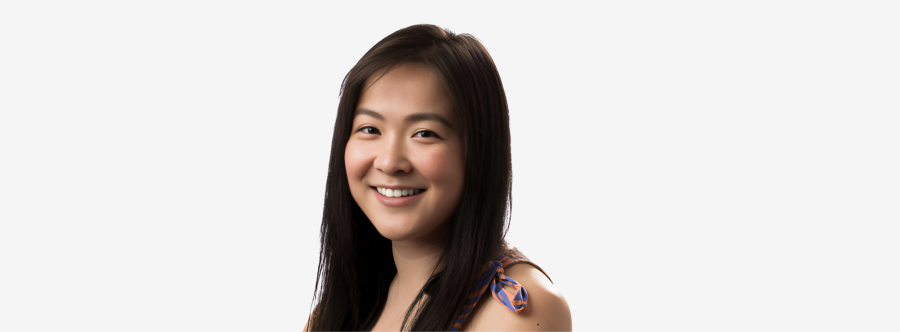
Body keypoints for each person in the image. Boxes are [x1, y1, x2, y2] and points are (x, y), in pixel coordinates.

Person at [305, 24, 571, 331]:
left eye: (424, 133)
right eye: (370, 129)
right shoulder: (342, 307)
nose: (390, 162)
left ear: (478, 152)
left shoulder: (515, 310)